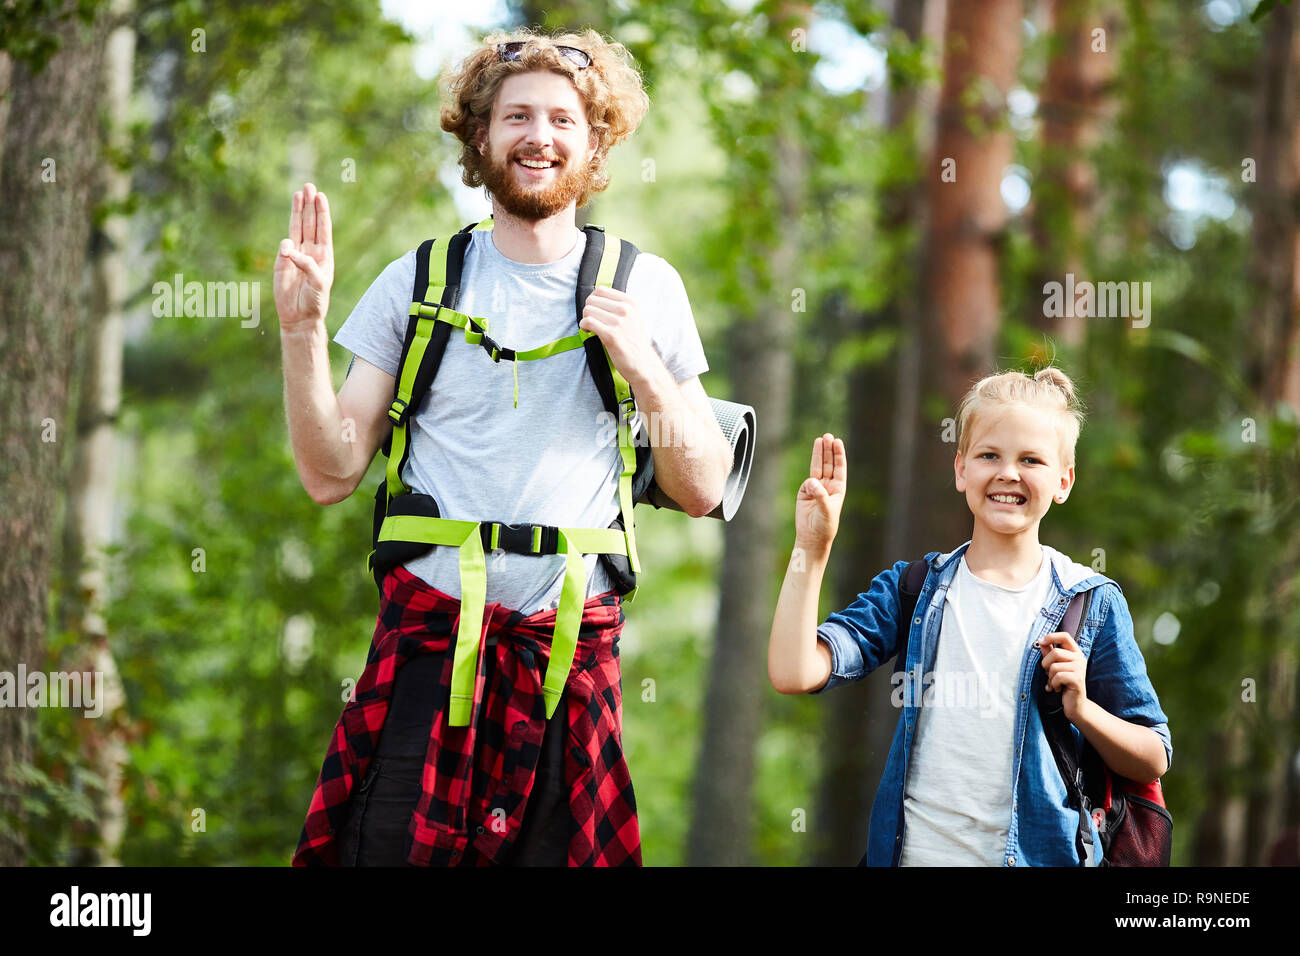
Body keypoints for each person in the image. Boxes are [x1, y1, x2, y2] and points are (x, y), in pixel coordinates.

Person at [276, 28, 731, 866]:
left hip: (570, 668)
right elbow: (329, 471)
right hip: (425, 658)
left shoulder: (645, 286)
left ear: (596, 140)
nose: (539, 136)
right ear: (480, 135)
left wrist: (645, 369)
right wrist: (302, 329)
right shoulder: (416, 281)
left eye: (563, 119)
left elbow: (701, 488)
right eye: (517, 115)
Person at [767, 367, 1172, 866]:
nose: (1007, 473)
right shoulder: (913, 589)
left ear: (1063, 480)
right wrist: (812, 545)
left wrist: (1083, 710)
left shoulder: (1090, 602)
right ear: (961, 470)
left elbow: (1153, 755)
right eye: (988, 455)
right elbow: (792, 671)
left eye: (1031, 459)